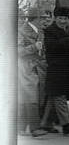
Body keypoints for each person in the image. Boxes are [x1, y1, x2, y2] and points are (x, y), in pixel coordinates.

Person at [43, 6, 69, 135]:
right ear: (55, 18)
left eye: (65, 18)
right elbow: (52, 46)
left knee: (52, 97)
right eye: (60, 18)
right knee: (59, 95)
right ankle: (66, 124)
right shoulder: (49, 30)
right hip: (55, 67)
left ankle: (45, 123)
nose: (63, 21)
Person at [17, 8, 47, 136]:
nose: (45, 20)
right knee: (32, 96)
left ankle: (21, 127)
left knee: (26, 97)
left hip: (36, 66)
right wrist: (33, 47)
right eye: (43, 18)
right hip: (25, 66)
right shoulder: (21, 31)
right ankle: (35, 128)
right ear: (36, 19)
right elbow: (18, 51)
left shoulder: (40, 32)